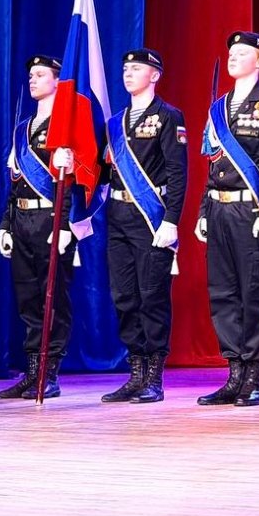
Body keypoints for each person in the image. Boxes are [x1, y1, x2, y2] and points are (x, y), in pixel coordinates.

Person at [195, 31, 259, 408]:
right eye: (230, 52)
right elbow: (212, 163)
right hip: (219, 209)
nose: (232, 57)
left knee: (254, 293)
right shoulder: (218, 107)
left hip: (251, 211)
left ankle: (253, 377)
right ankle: (233, 373)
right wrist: (203, 210)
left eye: (241, 52)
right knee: (223, 293)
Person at [98, 48, 187, 404]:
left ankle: (154, 377)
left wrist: (171, 220)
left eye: (136, 68)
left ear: (155, 75)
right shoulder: (114, 124)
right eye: (125, 68)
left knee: (152, 297)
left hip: (151, 218)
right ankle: (135, 373)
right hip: (117, 216)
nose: (128, 73)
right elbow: (103, 171)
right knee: (124, 297)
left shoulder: (168, 117)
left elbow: (178, 174)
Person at [0, 55, 74, 399]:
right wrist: (6, 224)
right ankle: (31, 372)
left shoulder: (66, 126)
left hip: (50, 219)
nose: (33, 79)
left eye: (40, 74)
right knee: (27, 298)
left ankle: (48, 373)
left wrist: (66, 223)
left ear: (57, 81)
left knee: (52, 297)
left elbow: (73, 183)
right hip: (23, 220)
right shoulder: (22, 129)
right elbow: (14, 184)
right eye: (31, 75)